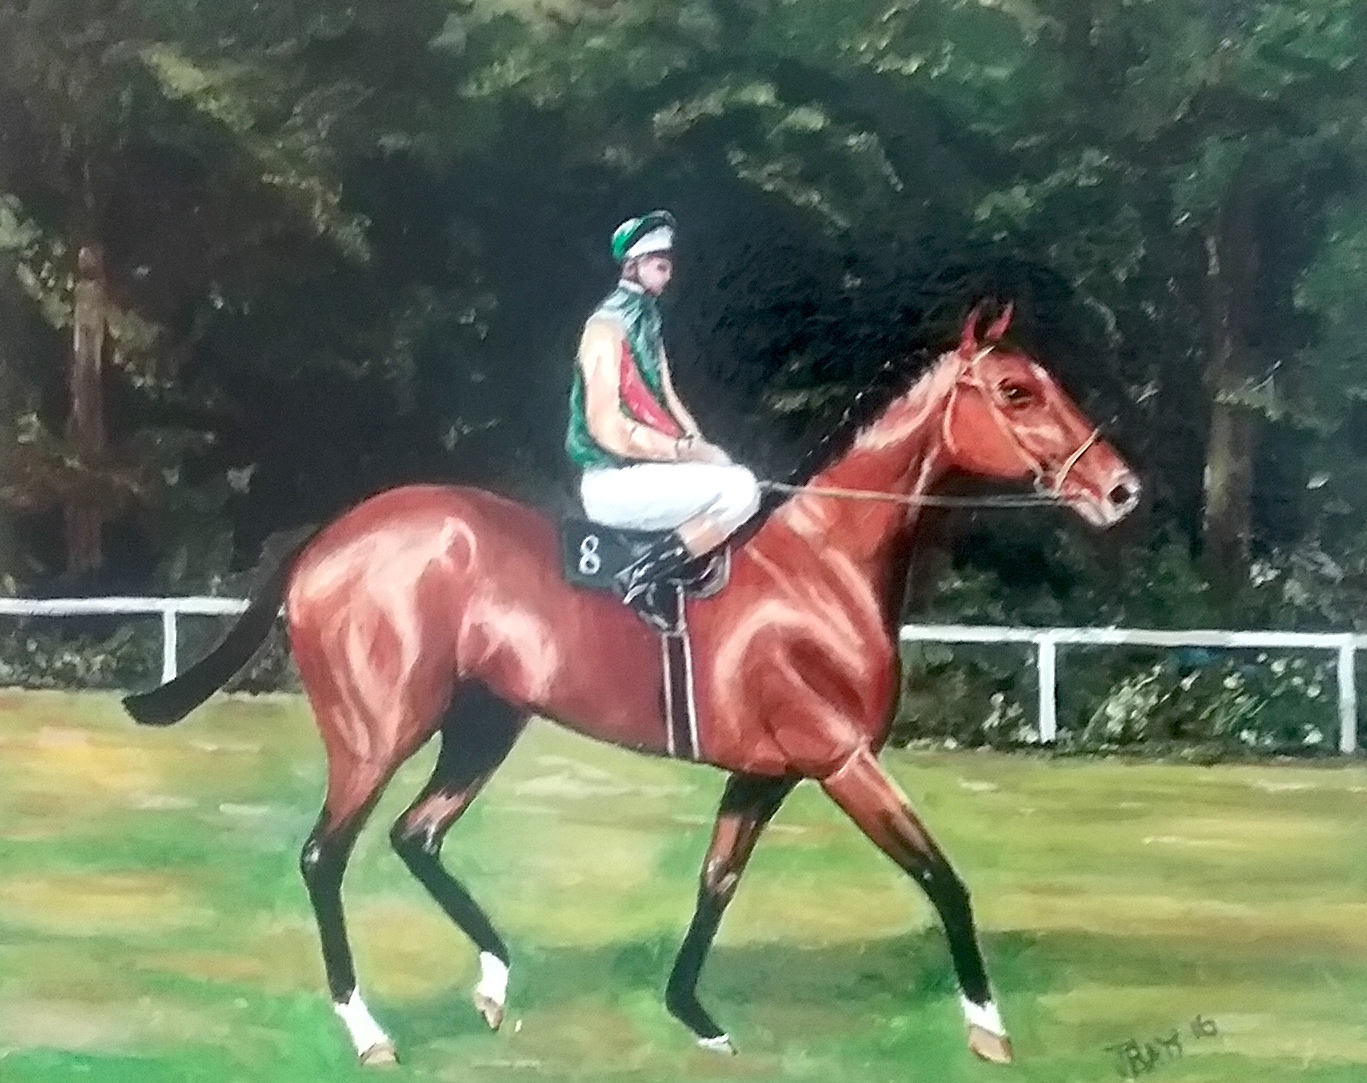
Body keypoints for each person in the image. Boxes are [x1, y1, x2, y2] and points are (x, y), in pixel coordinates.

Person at [566, 211, 761, 606]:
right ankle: (642, 575)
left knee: (733, 477)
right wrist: (686, 452)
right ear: (634, 265)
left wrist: (702, 449)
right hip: (611, 480)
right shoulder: (605, 328)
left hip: (646, 472)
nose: (668, 275)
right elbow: (607, 427)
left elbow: (668, 399)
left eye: (668, 265)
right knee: (742, 492)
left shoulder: (647, 320)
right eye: (660, 265)